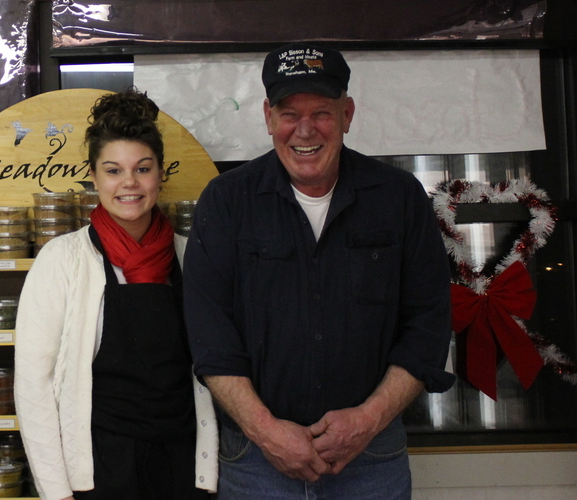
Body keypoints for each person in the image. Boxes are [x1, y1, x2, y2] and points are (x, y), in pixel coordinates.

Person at [182, 43, 454, 499]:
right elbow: (209, 338)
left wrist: (367, 421)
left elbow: (428, 326)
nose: (304, 130)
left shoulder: (399, 198)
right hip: (255, 463)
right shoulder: (226, 201)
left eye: (322, 113)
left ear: (347, 114)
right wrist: (267, 432)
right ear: (268, 116)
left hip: (372, 461)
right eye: (289, 113)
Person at [15, 89, 218, 500]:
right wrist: (56, 491)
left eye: (143, 169)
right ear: (93, 176)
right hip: (101, 468)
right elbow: (34, 386)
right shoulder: (63, 260)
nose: (129, 183)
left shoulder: (188, 256)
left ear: (161, 173)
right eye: (113, 170)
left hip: (182, 463)